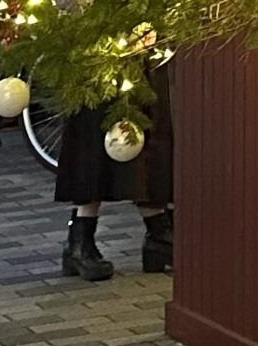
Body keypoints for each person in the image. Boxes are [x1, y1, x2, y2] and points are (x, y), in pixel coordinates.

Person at [54, 58, 174, 280]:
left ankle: (158, 230)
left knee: (148, 123)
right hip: (93, 48)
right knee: (95, 128)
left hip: (140, 45)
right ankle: (80, 240)